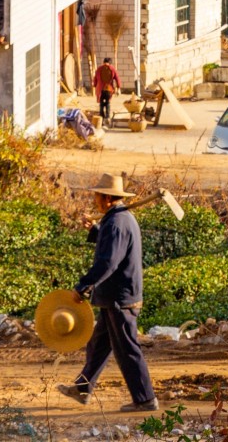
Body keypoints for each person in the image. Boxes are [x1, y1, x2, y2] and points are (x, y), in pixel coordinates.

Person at [58, 174, 158, 412]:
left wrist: (84, 286)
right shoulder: (119, 220)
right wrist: (95, 230)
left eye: (97, 195)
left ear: (106, 198)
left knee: (127, 349)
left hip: (119, 298)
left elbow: (108, 261)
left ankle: (145, 399)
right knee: (98, 344)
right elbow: (112, 246)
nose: (94, 200)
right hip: (115, 297)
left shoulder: (116, 223)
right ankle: (83, 388)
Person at [93, 57, 120, 123]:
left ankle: (101, 117)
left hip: (100, 89)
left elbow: (95, 79)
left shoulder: (99, 69)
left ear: (103, 62)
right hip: (109, 89)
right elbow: (117, 79)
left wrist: (95, 85)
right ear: (110, 63)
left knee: (101, 103)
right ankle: (107, 117)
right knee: (107, 102)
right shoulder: (112, 69)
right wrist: (118, 87)